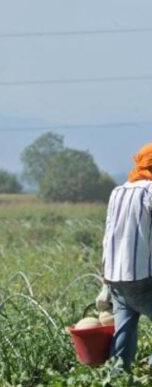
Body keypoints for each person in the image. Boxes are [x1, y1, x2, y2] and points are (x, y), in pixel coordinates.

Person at [97, 143, 152, 371]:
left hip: (117, 278)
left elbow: (108, 236)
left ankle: (117, 378)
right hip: (143, 277)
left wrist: (105, 284)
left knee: (124, 333)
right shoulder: (150, 191)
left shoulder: (118, 192)